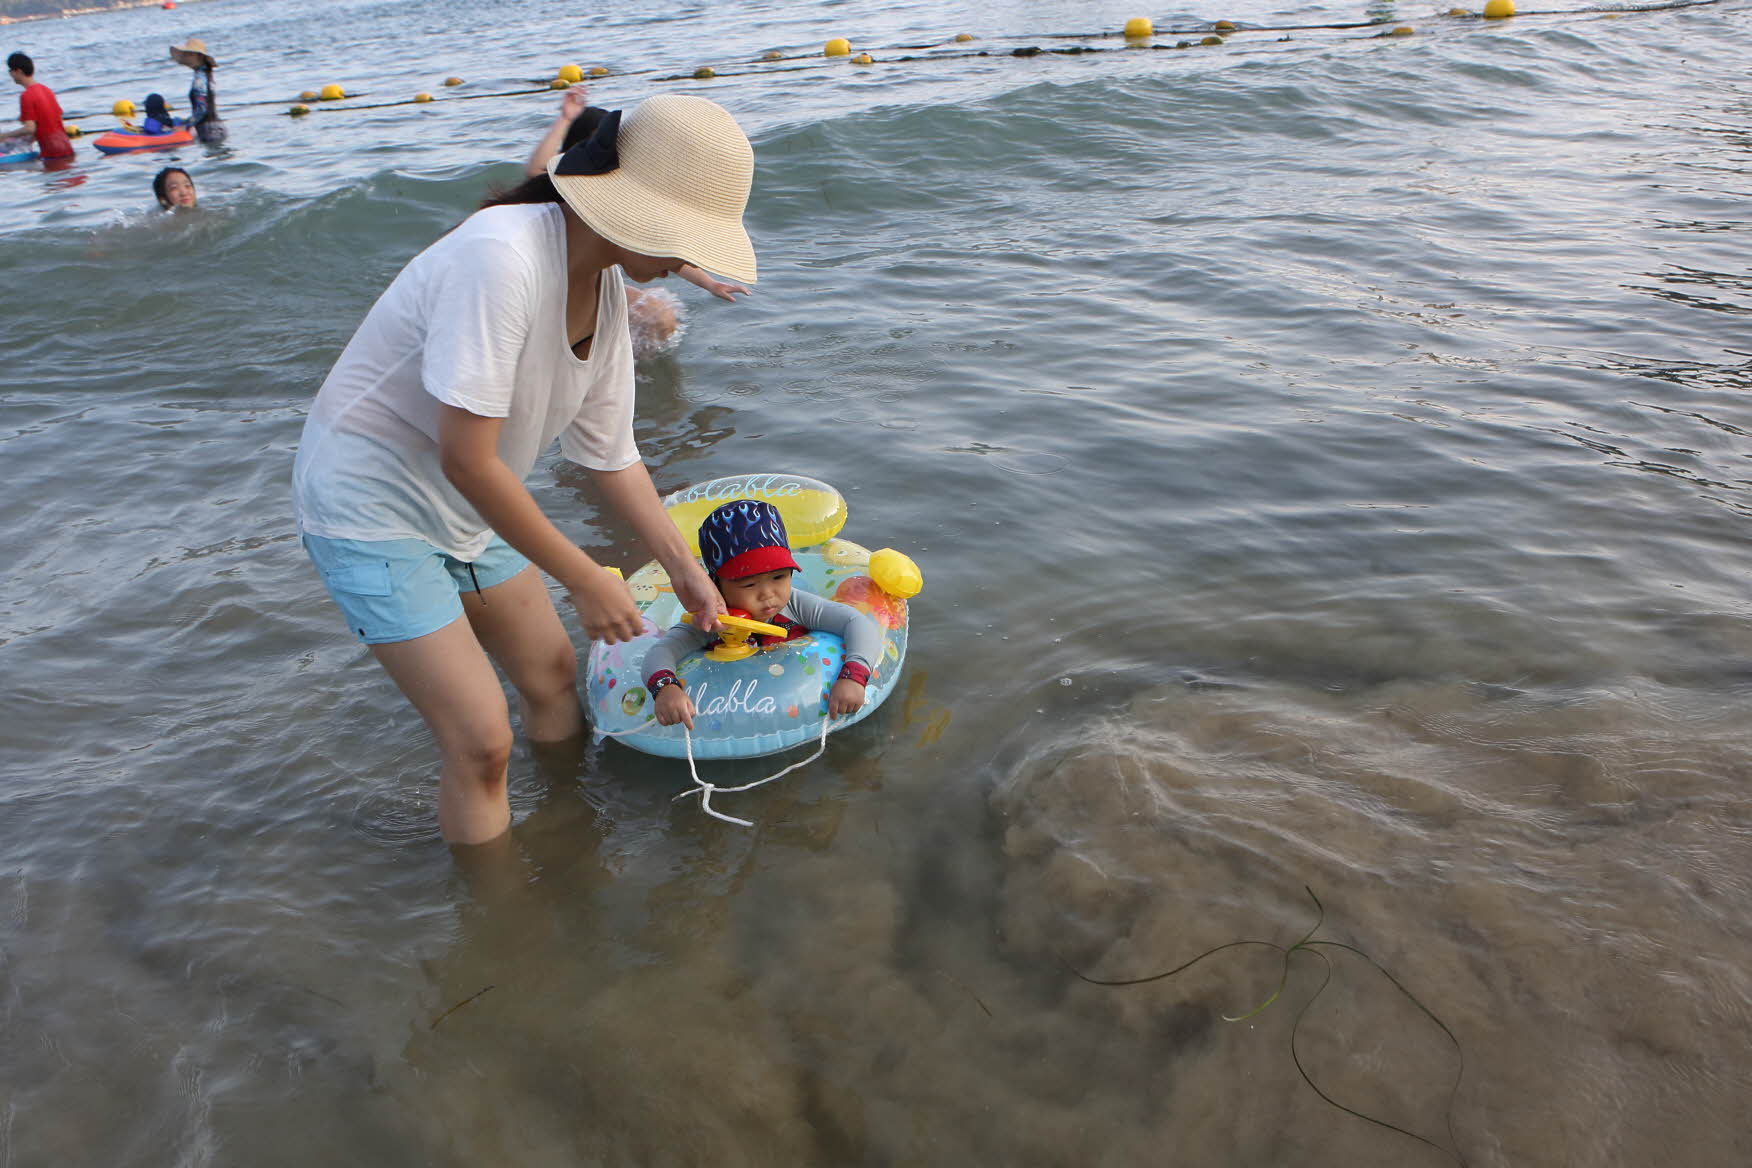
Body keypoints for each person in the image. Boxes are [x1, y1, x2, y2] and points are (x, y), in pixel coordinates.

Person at [292, 94, 757, 846]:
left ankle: (573, 838)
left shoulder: (606, 293)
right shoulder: (502, 258)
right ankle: (501, 906)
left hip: (469, 502)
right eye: (682, 231)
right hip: (370, 502)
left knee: (553, 682)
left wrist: (685, 570)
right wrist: (585, 577)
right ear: (623, 205)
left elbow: (613, 454)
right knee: (482, 744)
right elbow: (467, 457)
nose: (688, 256)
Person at [526, 86, 750, 351]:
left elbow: (664, 248)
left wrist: (709, 283)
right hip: (557, 285)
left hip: (592, 282)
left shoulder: (629, 214)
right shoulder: (560, 193)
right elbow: (536, 170)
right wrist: (564, 119)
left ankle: (626, 363)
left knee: (658, 316)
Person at [644, 500, 880, 730]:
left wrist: (853, 676)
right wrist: (666, 688)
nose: (767, 594)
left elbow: (855, 622)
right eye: (749, 584)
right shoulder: (710, 620)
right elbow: (662, 650)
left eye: (779, 577)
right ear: (714, 585)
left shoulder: (796, 604)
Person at [6, 52, 74, 161]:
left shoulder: (26, 96)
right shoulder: (46, 90)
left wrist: (5, 136)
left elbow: (30, 128)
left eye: (10, 71)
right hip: (67, 148)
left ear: (18, 71)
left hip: (51, 154)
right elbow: (52, 122)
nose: (10, 75)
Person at [168, 37, 225, 143]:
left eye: (189, 54)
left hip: (208, 130)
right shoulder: (206, 75)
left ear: (198, 56)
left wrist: (186, 125)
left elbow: (202, 109)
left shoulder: (199, 79)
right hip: (217, 127)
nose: (186, 57)